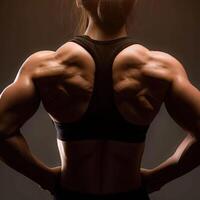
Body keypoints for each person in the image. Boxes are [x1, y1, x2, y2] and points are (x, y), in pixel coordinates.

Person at [0, 0, 200, 199]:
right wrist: (158, 179)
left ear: (79, 2)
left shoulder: (46, 66)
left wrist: (45, 179)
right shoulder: (161, 68)